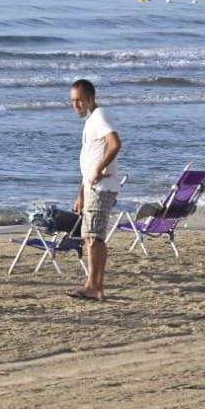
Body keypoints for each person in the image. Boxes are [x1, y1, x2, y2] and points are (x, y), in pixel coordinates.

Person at [69, 77, 123, 301]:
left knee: (94, 237)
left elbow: (115, 143)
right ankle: (95, 285)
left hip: (101, 187)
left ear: (91, 98)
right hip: (93, 188)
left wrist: (100, 170)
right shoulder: (91, 121)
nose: (76, 105)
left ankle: (94, 286)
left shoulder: (100, 117)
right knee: (93, 236)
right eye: (73, 101)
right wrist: (81, 193)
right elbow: (90, 161)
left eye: (80, 100)